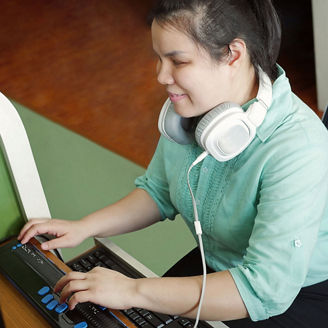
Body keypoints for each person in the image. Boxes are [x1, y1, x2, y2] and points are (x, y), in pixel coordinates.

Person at [18, 0, 328, 327]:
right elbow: (159, 190)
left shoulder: (299, 148)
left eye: (177, 61)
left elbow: (263, 288)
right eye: (159, 58)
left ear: (233, 54)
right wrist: (84, 227)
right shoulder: (191, 109)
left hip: (292, 293)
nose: (161, 76)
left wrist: (133, 291)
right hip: (219, 264)